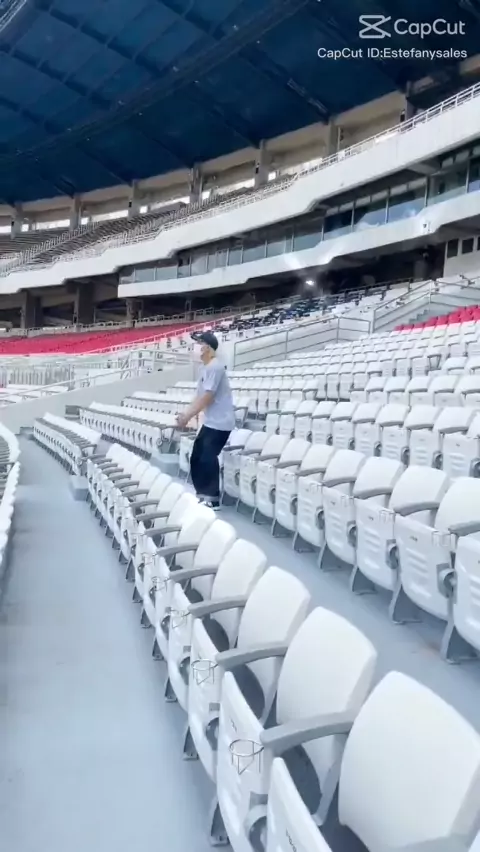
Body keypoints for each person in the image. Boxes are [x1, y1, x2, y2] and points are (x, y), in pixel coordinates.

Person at [176, 331, 235, 509]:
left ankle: (212, 498)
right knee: (197, 456)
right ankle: (203, 495)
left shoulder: (215, 367)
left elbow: (207, 397)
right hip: (210, 422)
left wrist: (187, 416)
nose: (196, 347)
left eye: (199, 343)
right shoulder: (205, 369)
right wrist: (186, 415)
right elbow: (198, 396)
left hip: (220, 423)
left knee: (208, 457)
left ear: (207, 348)